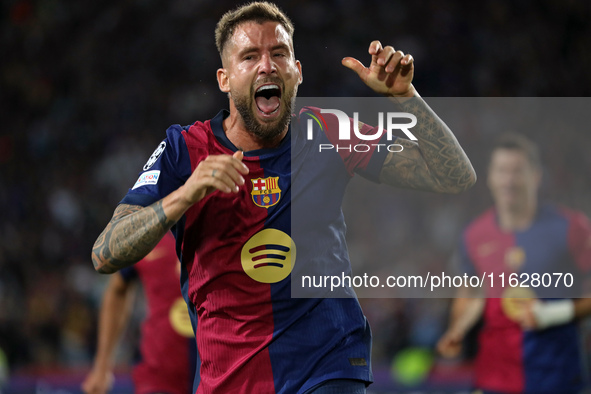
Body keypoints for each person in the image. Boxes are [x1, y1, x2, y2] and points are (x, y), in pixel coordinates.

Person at [91, 2, 476, 393]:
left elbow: (456, 177)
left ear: (297, 72)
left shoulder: (329, 132)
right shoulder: (182, 149)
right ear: (224, 79)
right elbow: (105, 253)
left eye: (279, 53)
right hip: (228, 378)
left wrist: (406, 97)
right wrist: (184, 195)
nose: (267, 65)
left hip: (329, 364)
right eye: (249, 56)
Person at [437, 133, 591, 394]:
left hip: (557, 377)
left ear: (536, 176)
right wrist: (457, 329)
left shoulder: (570, 227)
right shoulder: (474, 234)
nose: (509, 180)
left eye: (517, 171)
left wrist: (551, 315)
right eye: (502, 171)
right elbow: (474, 291)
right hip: (493, 379)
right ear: (489, 177)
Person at [82, 233, 198, 394]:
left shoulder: (229, 224)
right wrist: (102, 366)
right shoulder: (148, 230)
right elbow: (117, 291)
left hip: (222, 371)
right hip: (158, 378)